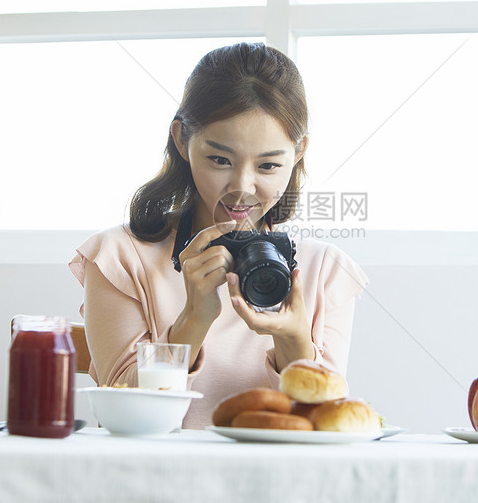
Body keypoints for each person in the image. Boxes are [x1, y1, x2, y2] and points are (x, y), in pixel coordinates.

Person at [69, 42, 369, 429]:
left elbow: (328, 426)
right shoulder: (119, 258)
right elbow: (125, 417)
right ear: (181, 140)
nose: (242, 187)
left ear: (298, 154)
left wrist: (293, 340)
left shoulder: (323, 270)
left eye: (269, 165)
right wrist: (193, 319)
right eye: (220, 160)